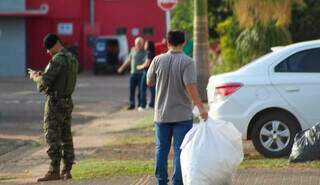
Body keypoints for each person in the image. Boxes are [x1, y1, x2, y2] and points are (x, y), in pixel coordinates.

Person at [147, 30, 208, 185]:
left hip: (161, 115)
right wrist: (201, 108)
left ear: (167, 43)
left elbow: (149, 82)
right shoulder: (187, 62)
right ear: (184, 42)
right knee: (180, 151)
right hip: (182, 115)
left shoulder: (157, 60)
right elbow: (191, 87)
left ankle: (161, 181)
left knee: (161, 150)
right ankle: (177, 182)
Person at [28, 33, 78, 182]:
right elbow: (62, 77)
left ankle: (54, 170)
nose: (47, 52)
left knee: (52, 136)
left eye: (48, 48)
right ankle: (67, 170)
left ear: (55, 44)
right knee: (66, 136)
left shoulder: (58, 59)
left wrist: (35, 77)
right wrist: (44, 74)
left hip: (55, 103)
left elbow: (44, 84)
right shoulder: (72, 58)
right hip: (67, 101)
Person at [118, 37, 146, 110]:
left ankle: (140, 104)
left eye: (140, 43)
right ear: (135, 44)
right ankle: (132, 104)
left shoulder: (145, 51)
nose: (139, 45)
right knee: (132, 90)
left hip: (141, 74)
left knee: (140, 90)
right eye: (137, 43)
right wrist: (122, 67)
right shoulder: (133, 50)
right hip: (133, 73)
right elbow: (128, 60)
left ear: (142, 43)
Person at [137, 40, 156, 110]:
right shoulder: (152, 53)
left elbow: (147, 64)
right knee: (152, 89)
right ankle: (152, 104)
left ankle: (143, 105)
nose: (144, 45)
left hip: (147, 72)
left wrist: (139, 67)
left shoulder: (149, 53)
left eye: (145, 44)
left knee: (143, 89)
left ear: (148, 46)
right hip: (151, 73)